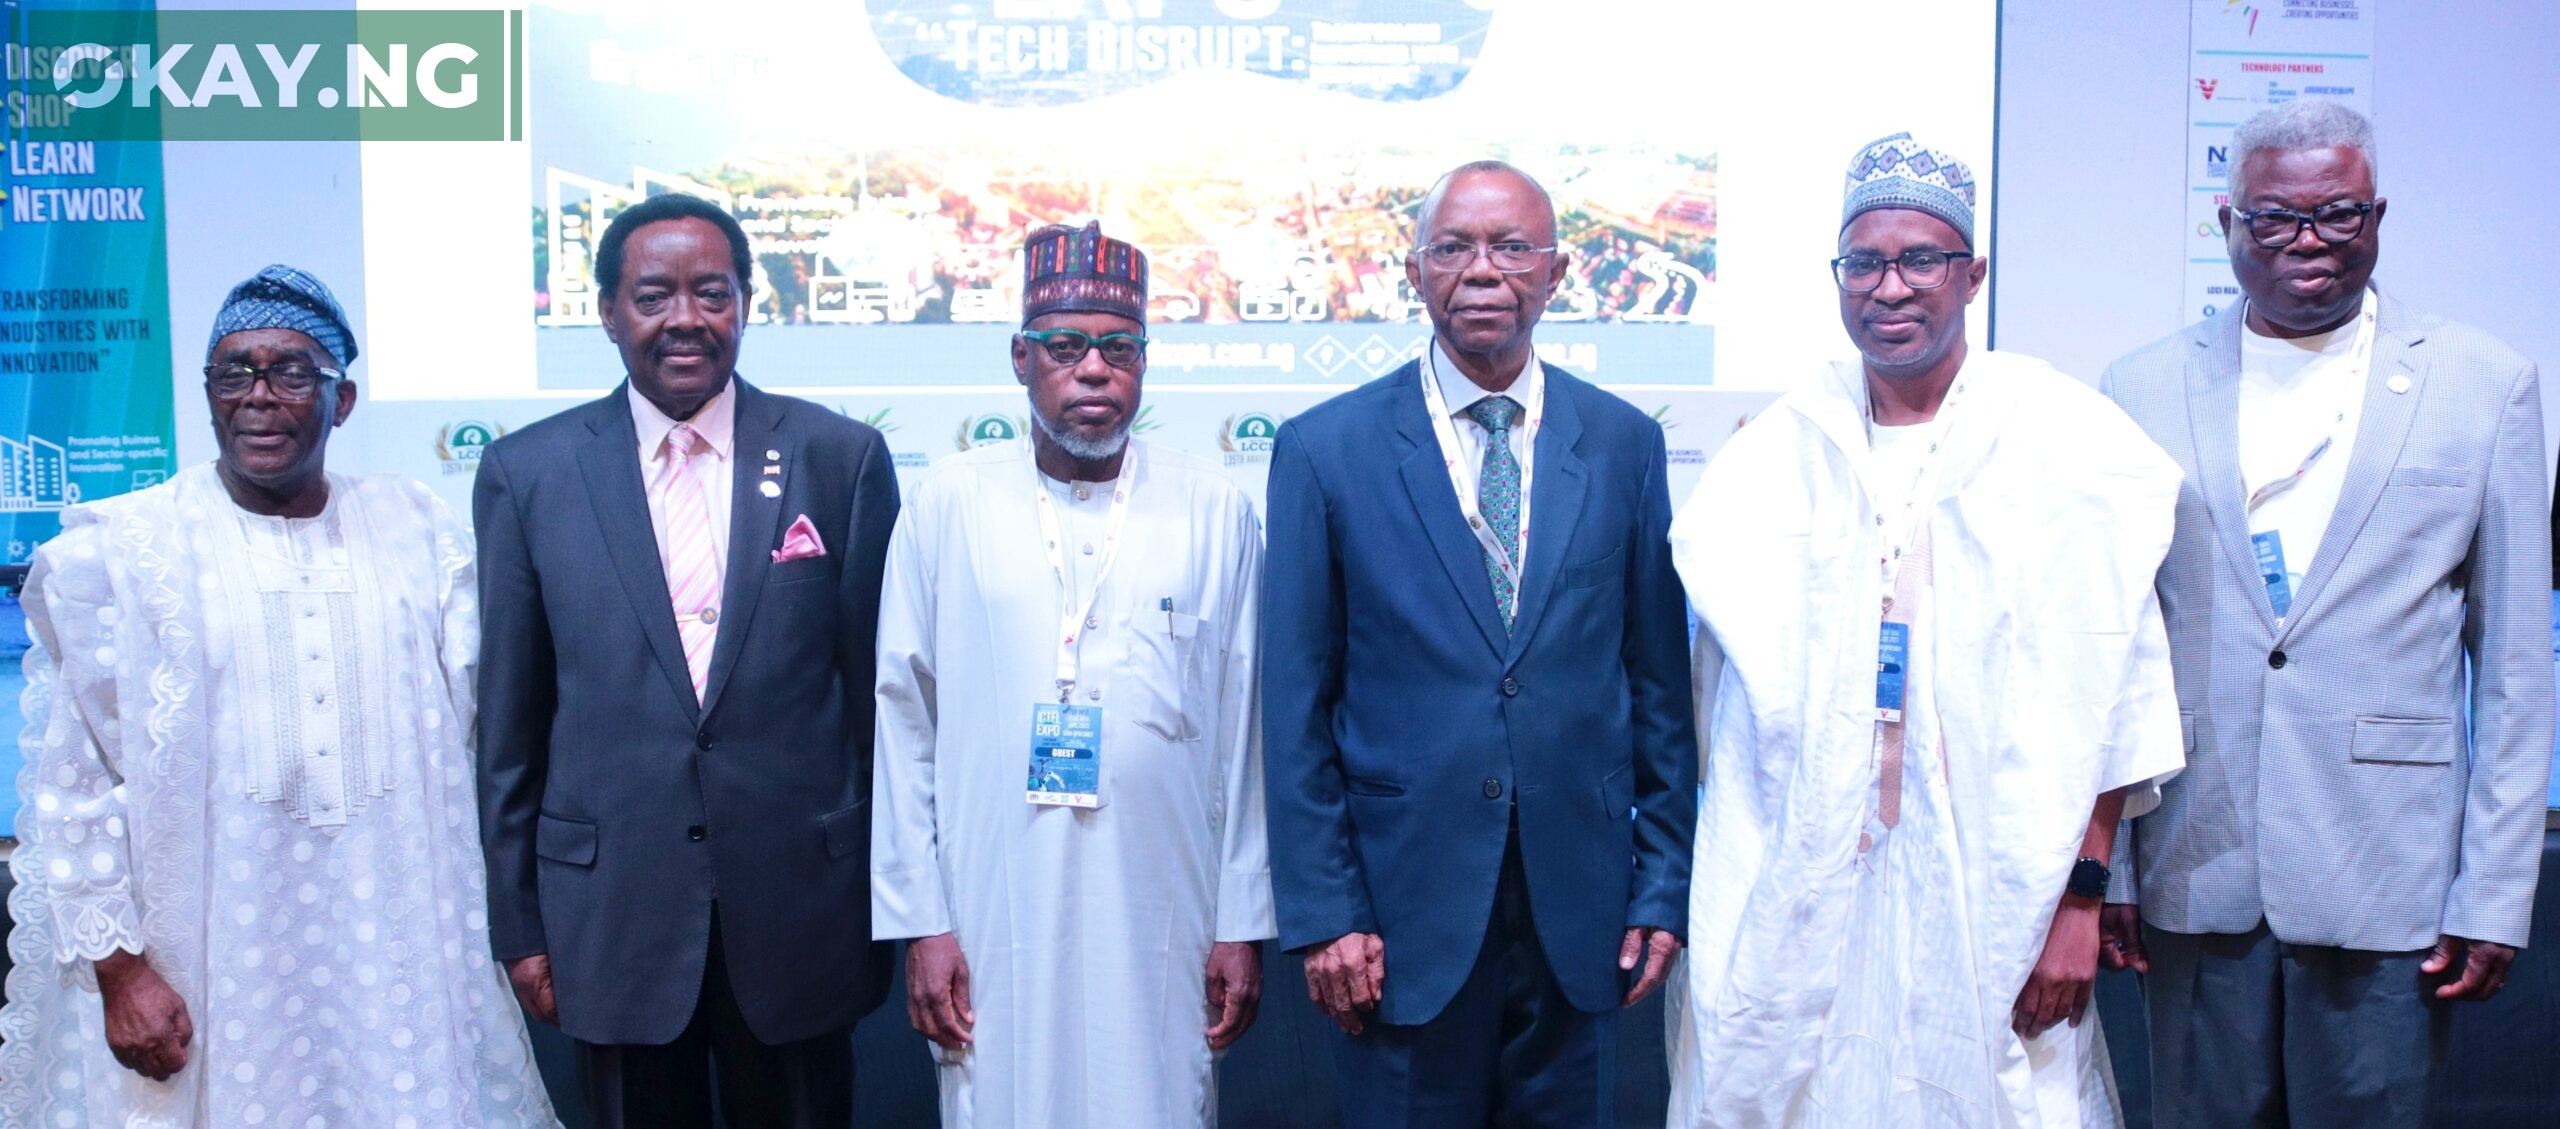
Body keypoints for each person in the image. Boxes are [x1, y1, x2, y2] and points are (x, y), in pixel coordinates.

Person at [1665, 134, 2186, 1127]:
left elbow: (2114, 689)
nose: (1889, 287)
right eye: (1862, 262)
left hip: (1998, 883)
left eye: (1921, 260)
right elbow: (1719, 713)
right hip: (1808, 886)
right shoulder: (1771, 454)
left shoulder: (2061, 440)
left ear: (1973, 274)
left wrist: (2080, 899)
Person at [0, 266, 555, 1127]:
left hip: (403, 962)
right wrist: (119, 971)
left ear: (342, 402)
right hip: (210, 975)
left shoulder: (414, 530)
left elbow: (499, 734)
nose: (258, 396)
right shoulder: (131, 550)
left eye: (292, 372)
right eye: (235, 372)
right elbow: (75, 785)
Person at [2099, 99, 2551, 1129]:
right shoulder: (2139, 388)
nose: (2308, 242)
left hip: (2388, 877)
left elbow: (2518, 672)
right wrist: (2112, 861)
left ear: (2377, 216)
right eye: (2275, 219)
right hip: (2194, 864)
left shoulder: (2482, 386)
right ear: (2227, 226)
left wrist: (2495, 892)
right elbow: (2117, 649)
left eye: (2337, 215)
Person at [1261, 161, 1697, 1125]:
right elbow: (1293, 709)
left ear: (1559, 269)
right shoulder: (1325, 448)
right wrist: (1327, 912)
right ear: (1415, 272)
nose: (1484, 270)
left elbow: (1658, 685)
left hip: (1581, 914)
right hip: (1397, 924)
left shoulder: (1623, 442)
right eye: (1454, 247)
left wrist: (1663, 886)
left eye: (1512, 246)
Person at [473, 193, 899, 1126]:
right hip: (612, 910)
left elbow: (876, 709)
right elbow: (510, 725)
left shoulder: (841, 456)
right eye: (654, 294)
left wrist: (887, 898)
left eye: (711, 293)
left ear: (747, 303)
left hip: (801, 905)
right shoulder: (527, 472)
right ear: (609, 313)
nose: (685, 319)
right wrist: (520, 923)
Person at [872, 221, 1272, 1127]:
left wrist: (1242, 919)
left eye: (1119, 346)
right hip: (988, 897)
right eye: (1065, 346)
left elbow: (1249, 728)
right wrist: (922, 921)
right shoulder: (949, 503)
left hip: (1165, 899)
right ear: (1020, 358)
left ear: (1145, 360)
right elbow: (902, 719)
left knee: (1161, 1094)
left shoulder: (1214, 508)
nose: (1094, 370)